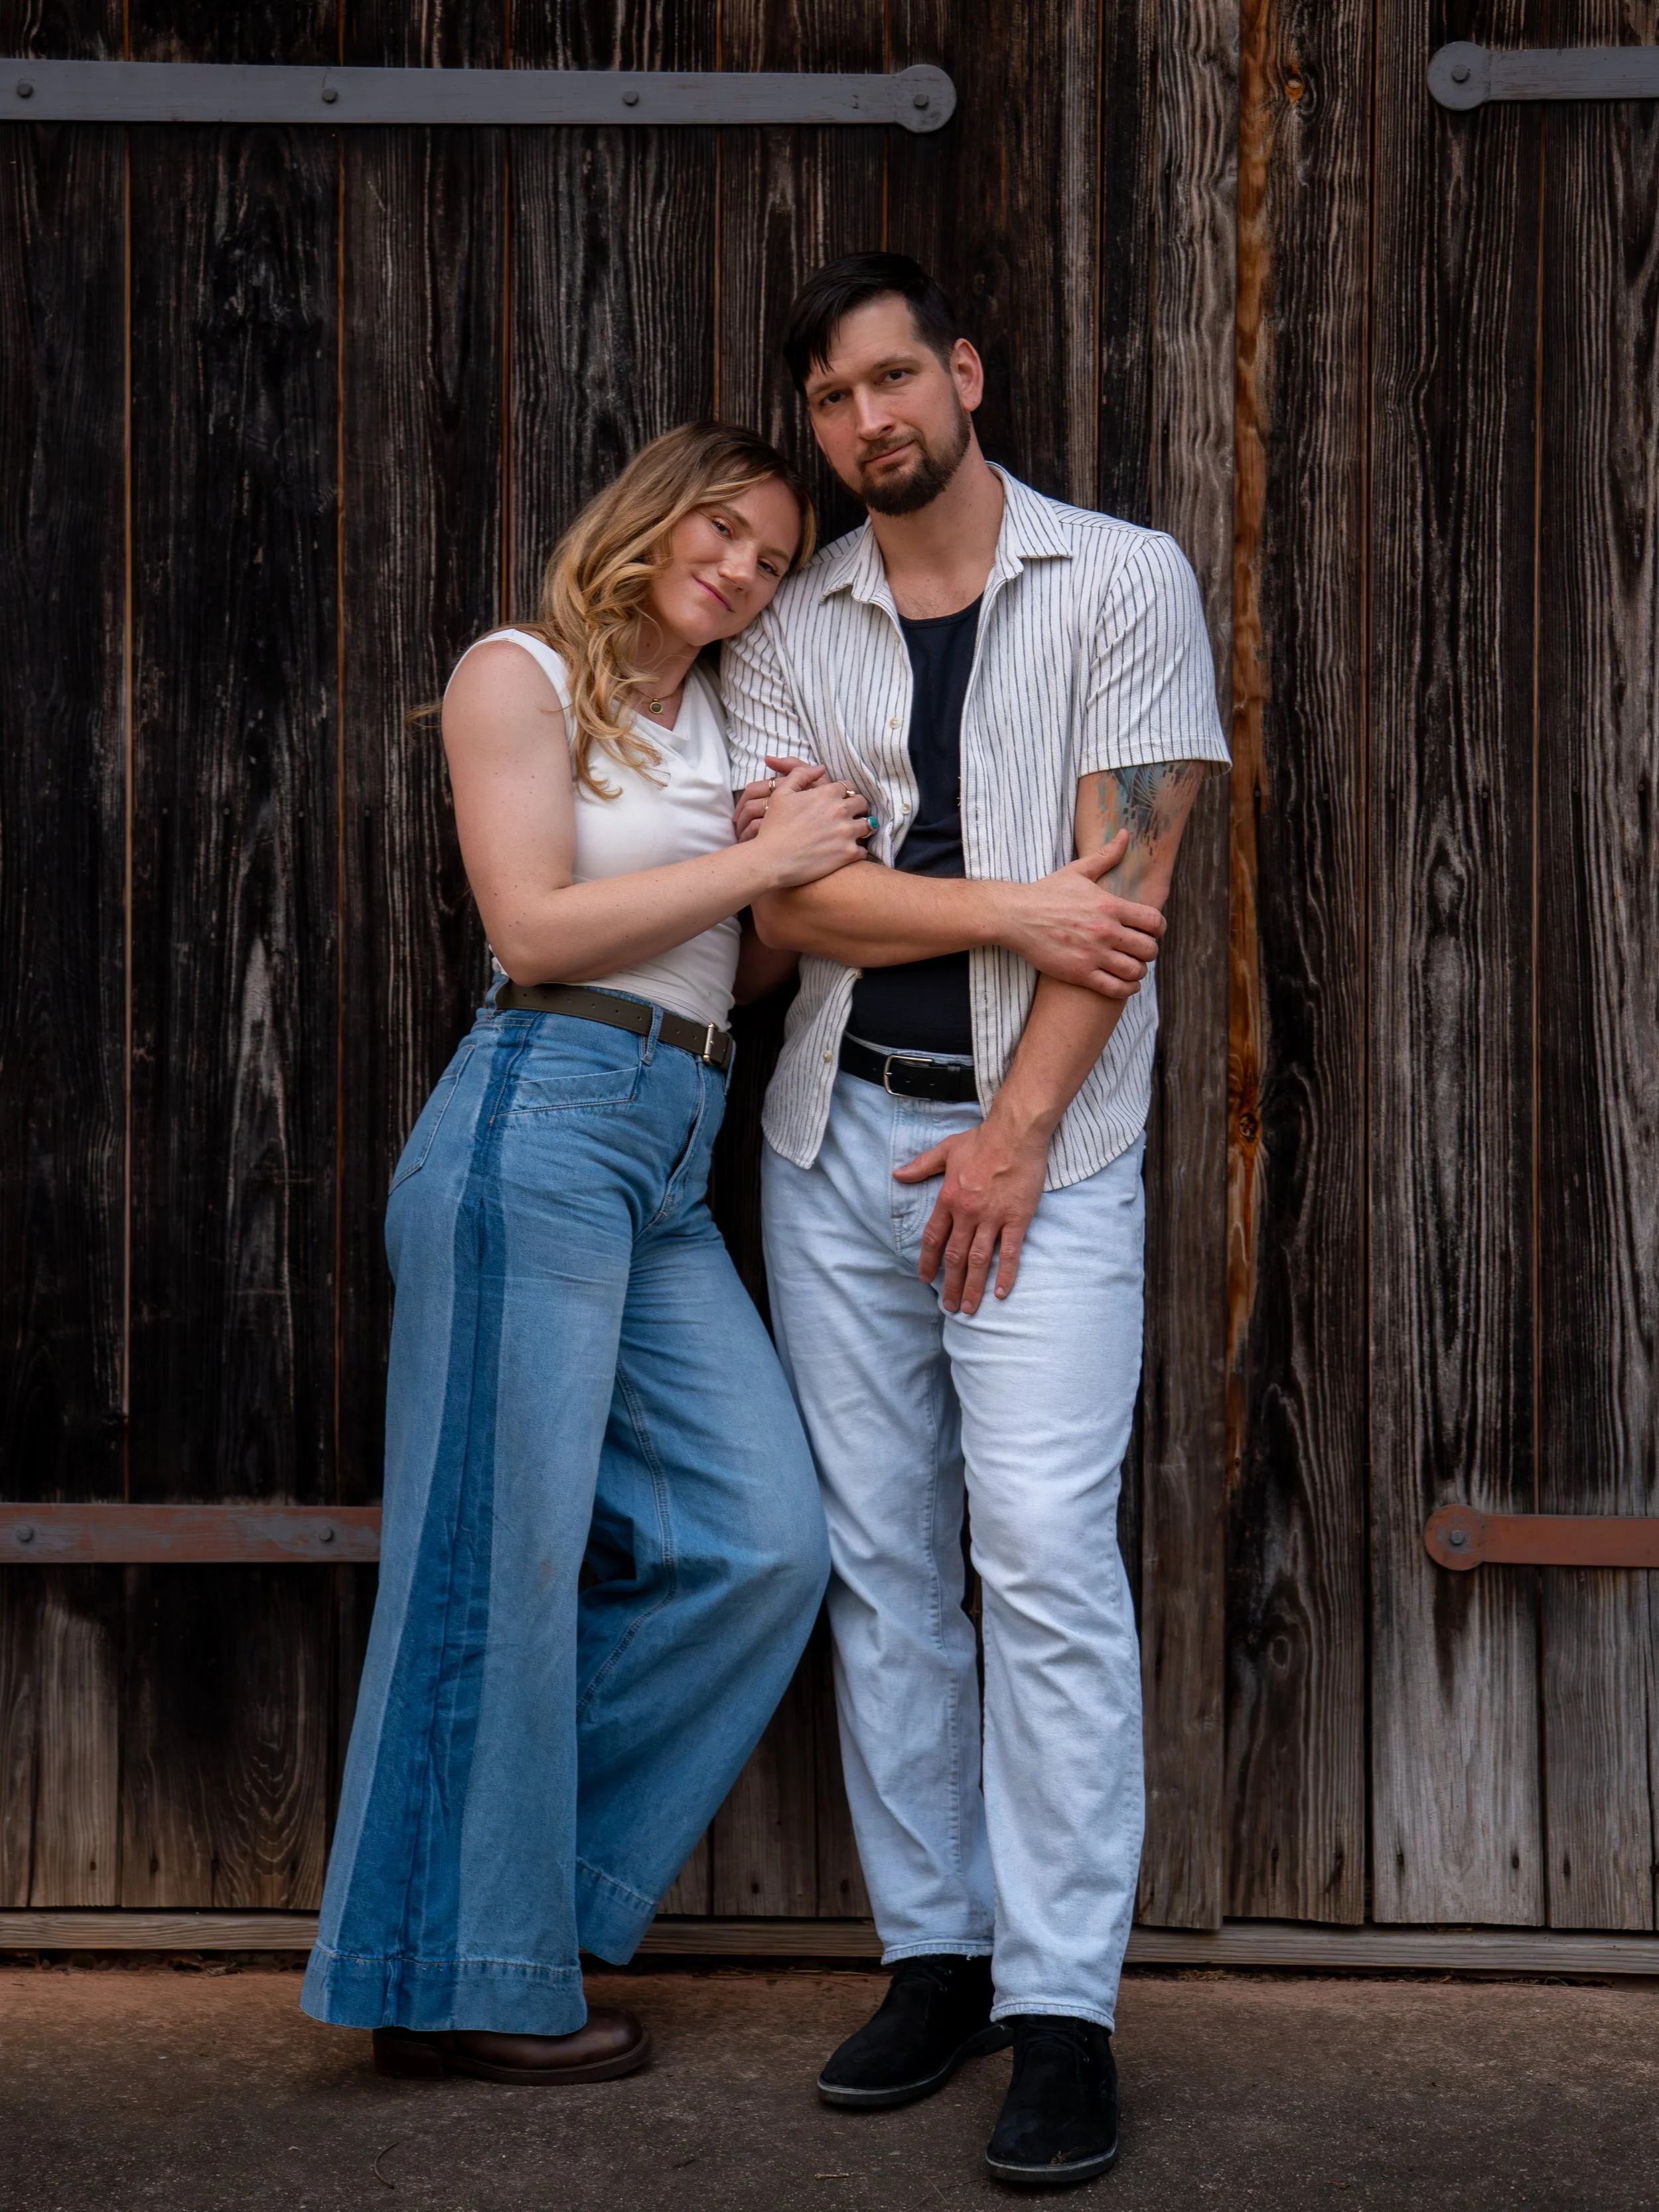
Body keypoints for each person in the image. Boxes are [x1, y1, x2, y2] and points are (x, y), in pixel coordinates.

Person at [725, 255, 1230, 2185]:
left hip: (1049, 1151)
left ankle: (1062, 2004)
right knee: (880, 1561)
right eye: (833, 400)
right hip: (833, 1139)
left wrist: (1018, 1129)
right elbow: (793, 913)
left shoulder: (1120, 579)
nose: (867, 421)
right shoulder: (799, 619)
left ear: (961, 371)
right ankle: (930, 1951)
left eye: (889, 378)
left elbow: (1130, 882)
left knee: (1033, 1551)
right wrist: (1007, 905)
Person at [302, 422, 876, 2085]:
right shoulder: (520, 674)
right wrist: (760, 860)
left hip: (673, 1140)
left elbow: (738, 975)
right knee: (495, 1557)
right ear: (654, 512)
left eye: (773, 560)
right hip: (535, 1117)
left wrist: (780, 885)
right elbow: (533, 925)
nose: (744, 572)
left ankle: (482, 1917)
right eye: (727, 532)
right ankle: (470, 1967)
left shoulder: (719, 720)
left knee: (760, 1538)